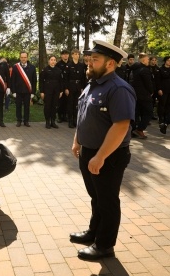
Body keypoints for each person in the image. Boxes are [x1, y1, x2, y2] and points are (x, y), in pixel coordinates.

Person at [70, 40, 136, 261]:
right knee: (95, 197)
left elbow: (121, 126)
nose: (89, 62)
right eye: (89, 58)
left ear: (110, 64)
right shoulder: (93, 83)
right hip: (89, 151)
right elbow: (84, 115)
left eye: (95, 59)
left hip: (109, 155)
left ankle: (105, 245)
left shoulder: (119, 88)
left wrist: (100, 156)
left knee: (107, 200)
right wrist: (77, 140)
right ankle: (94, 233)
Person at [130, 53, 153, 139]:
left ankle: (133, 129)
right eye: (147, 59)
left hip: (134, 94)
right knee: (149, 112)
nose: (148, 61)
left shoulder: (133, 69)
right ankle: (140, 129)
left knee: (136, 112)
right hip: (144, 95)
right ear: (143, 60)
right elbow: (148, 84)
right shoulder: (144, 70)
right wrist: (151, 91)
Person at [10, 51, 37, 127]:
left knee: (27, 107)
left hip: (28, 91)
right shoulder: (15, 67)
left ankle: (26, 121)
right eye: (22, 57)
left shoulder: (32, 67)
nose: (23, 59)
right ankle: (19, 120)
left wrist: (33, 92)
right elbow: (13, 80)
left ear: (27, 58)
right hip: (18, 91)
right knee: (18, 106)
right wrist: (13, 91)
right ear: (20, 58)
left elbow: (34, 81)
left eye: (25, 57)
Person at [39, 55, 64, 129]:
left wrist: (61, 91)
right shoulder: (45, 70)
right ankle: (47, 121)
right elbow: (41, 82)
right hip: (47, 91)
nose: (53, 61)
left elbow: (61, 82)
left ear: (56, 61)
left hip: (56, 91)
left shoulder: (59, 70)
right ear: (49, 61)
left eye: (54, 60)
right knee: (47, 106)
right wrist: (42, 91)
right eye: (51, 60)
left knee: (54, 106)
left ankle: (53, 121)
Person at [64, 49, 86, 128]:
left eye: (78, 54)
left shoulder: (81, 65)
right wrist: (66, 88)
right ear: (72, 55)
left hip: (78, 86)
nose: (77, 55)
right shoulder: (69, 65)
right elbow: (66, 78)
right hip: (71, 86)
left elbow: (83, 78)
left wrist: (82, 87)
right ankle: (70, 121)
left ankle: (75, 120)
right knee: (70, 104)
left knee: (77, 104)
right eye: (75, 54)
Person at [156, 56, 170, 134]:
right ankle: (161, 118)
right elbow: (158, 80)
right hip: (163, 90)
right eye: (168, 60)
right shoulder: (161, 70)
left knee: (168, 105)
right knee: (162, 105)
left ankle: (166, 119)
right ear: (165, 61)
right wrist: (159, 89)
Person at [56, 50, 69, 122]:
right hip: (60, 85)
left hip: (68, 85)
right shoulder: (58, 64)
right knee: (60, 102)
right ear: (61, 56)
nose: (65, 56)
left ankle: (65, 116)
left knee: (67, 102)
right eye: (64, 54)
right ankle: (60, 117)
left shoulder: (70, 63)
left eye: (66, 54)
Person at [149, 56, 160, 120]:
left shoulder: (157, 68)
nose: (154, 61)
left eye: (155, 60)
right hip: (150, 87)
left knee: (153, 102)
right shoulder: (148, 68)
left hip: (156, 87)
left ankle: (152, 114)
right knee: (149, 102)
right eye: (153, 60)